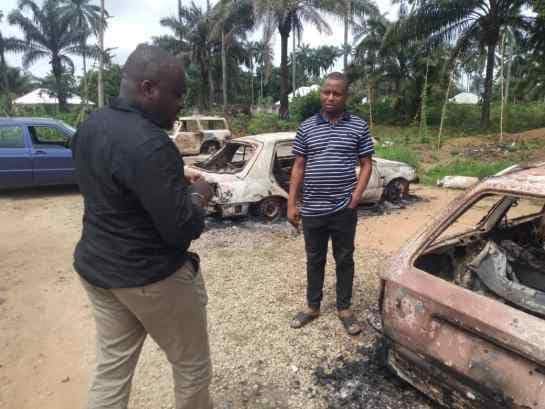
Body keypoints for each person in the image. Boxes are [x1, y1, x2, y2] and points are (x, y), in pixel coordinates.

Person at [71, 44, 214, 409]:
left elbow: (115, 176)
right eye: (177, 94)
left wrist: (170, 176)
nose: (181, 103)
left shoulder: (91, 126)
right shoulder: (151, 144)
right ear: (149, 88)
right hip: (150, 278)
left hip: (98, 271)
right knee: (191, 365)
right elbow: (181, 229)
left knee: (112, 369)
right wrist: (198, 195)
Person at [288, 72, 374, 336]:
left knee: (344, 258)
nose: (330, 97)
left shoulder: (358, 126)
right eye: (326, 92)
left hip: (343, 209)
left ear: (345, 97)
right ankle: (313, 306)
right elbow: (298, 167)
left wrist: (356, 197)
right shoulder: (307, 127)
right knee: (314, 259)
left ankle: (344, 308)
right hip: (312, 208)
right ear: (321, 93)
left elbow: (367, 164)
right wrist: (291, 204)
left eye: (337, 93)